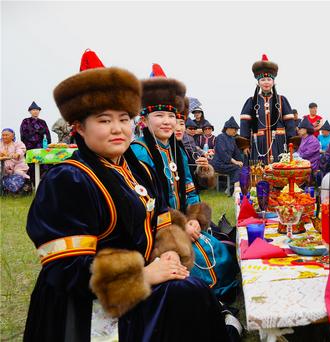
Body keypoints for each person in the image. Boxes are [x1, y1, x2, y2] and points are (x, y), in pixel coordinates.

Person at [24, 49, 237, 342]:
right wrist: (145, 276)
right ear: (78, 128)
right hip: (94, 301)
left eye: (123, 119)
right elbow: (66, 270)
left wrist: (170, 252)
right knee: (187, 293)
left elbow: (161, 217)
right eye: (103, 120)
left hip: (148, 272)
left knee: (192, 288)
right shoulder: (69, 179)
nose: (117, 129)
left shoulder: (135, 170)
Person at [131, 64, 199, 212]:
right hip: (158, 228)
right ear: (144, 120)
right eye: (159, 115)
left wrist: (194, 217)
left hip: (184, 220)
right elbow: (144, 203)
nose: (167, 121)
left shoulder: (177, 150)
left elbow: (190, 190)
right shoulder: (138, 151)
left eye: (171, 116)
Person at [240, 54, 296, 164]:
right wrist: (245, 144)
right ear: (258, 82)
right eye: (263, 80)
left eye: (269, 79)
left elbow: (290, 125)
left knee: (279, 170)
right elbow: (245, 125)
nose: (266, 82)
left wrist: (292, 144)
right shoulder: (251, 101)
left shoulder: (282, 100)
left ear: (273, 82)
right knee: (259, 171)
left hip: (278, 142)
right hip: (258, 143)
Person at [20, 101, 52, 181]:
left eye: (37, 110)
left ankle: (44, 182)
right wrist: (37, 132)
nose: (35, 111)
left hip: (42, 147)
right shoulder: (26, 121)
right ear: (30, 111)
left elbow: (47, 134)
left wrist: (47, 143)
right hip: (30, 147)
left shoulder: (42, 122)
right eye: (33, 110)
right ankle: (32, 184)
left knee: (45, 164)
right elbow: (24, 134)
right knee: (32, 166)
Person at [212, 117, 244, 195]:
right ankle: (235, 190)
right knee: (237, 167)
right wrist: (235, 162)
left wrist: (241, 162)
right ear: (228, 128)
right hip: (218, 164)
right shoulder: (220, 137)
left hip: (227, 164)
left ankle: (232, 188)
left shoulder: (233, 139)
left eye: (237, 130)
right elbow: (223, 153)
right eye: (235, 129)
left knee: (241, 167)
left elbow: (237, 153)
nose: (236, 131)